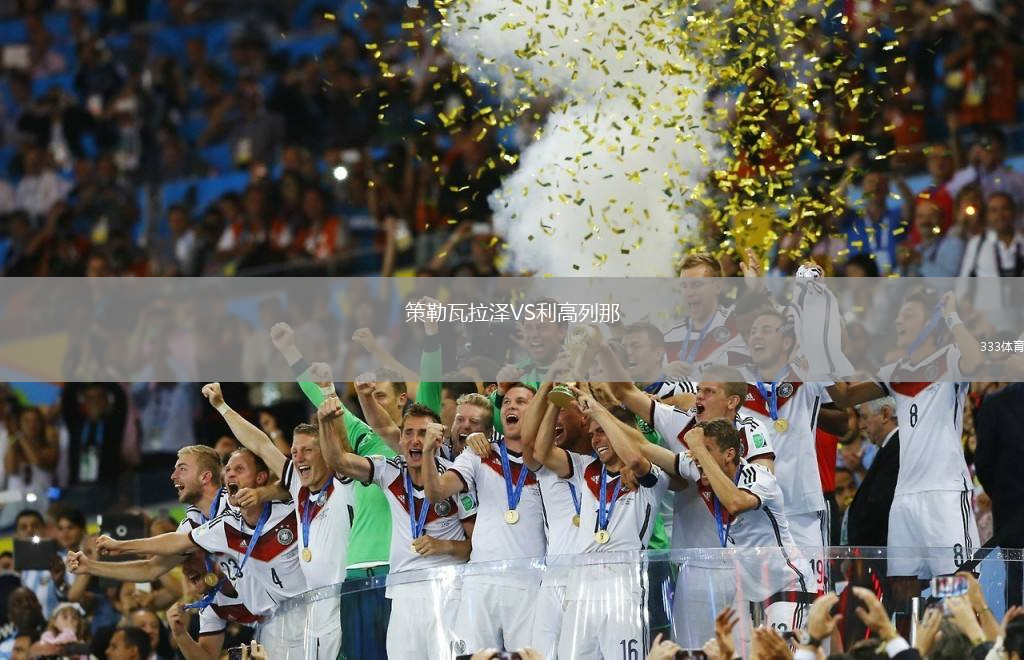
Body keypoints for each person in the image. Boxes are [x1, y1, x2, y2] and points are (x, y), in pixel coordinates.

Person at [831, 290, 984, 615]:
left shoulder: (951, 359)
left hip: (944, 493)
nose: (899, 321)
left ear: (932, 324)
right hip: (904, 500)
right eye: (899, 315)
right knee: (903, 593)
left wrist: (952, 316)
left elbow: (976, 361)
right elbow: (844, 398)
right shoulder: (894, 372)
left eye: (909, 315)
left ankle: (967, 641)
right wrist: (819, 353)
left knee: (958, 588)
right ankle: (911, 641)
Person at [608, 364, 775, 648]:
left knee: (743, 651)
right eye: (698, 390)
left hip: (742, 564)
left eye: (708, 391)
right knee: (692, 650)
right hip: (694, 562)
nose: (699, 397)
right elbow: (625, 392)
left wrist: (701, 455)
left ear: (732, 401)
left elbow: (754, 489)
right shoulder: (680, 423)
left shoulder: (752, 429)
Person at [94, 449, 307, 658]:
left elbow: (292, 485)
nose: (173, 476)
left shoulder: (237, 503)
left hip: (303, 601)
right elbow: (151, 568)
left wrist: (122, 546)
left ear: (205, 476)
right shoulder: (194, 523)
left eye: (182, 469)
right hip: (272, 623)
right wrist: (92, 567)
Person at [201, 381, 353, 659]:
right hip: (315, 612)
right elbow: (259, 444)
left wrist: (329, 396)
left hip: (346, 603)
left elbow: (343, 449)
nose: (298, 458)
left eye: (307, 450)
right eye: (294, 452)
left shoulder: (343, 483)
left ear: (325, 453)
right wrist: (222, 407)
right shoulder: (298, 486)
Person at [321, 398, 475, 659]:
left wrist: (444, 545)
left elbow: (474, 547)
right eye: (409, 433)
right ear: (400, 439)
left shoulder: (454, 478)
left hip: (447, 589)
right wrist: (325, 424)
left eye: (423, 433)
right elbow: (339, 462)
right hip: (402, 593)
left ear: (437, 439)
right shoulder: (389, 471)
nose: (415, 440)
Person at [531, 388, 671, 659]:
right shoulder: (586, 468)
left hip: (624, 587)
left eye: (602, 432)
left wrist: (597, 410)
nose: (595, 440)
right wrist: (554, 400)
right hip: (581, 588)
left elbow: (634, 458)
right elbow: (542, 452)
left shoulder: (652, 477)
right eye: (593, 433)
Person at [641, 420, 812, 631]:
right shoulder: (700, 467)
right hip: (751, 594)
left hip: (786, 586)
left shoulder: (758, 476)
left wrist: (698, 448)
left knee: (780, 650)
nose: (698, 459)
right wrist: (602, 412)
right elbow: (642, 447)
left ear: (730, 454)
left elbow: (735, 503)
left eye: (707, 451)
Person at [421, 383, 544, 653]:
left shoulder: (549, 459)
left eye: (521, 402)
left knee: (527, 657)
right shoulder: (478, 454)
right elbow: (436, 492)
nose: (511, 406)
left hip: (529, 581)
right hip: (481, 580)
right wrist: (428, 452)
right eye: (507, 402)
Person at [740, 307, 851, 593]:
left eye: (766, 330)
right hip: (757, 510)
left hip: (802, 506)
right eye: (753, 332)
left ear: (787, 342)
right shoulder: (738, 385)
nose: (757, 336)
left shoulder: (808, 375)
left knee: (814, 593)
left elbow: (844, 416)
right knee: (761, 596)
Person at [974, 382, 1024, 608]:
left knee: (1015, 584)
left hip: (1010, 512)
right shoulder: (995, 403)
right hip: (1012, 518)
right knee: (1015, 581)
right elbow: (984, 464)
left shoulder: (996, 403)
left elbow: (984, 464)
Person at [845, 398, 900, 548]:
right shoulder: (889, 448)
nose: (861, 425)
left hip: (882, 549)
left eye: (864, 417)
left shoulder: (896, 449)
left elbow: (881, 505)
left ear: (885, 414)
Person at [13, 510, 65, 618]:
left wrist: (60, 583)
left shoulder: (61, 560)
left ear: (44, 529)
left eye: (35, 526)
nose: (29, 530)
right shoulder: (19, 569)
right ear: (17, 534)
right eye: (23, 527)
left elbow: (71, 597)